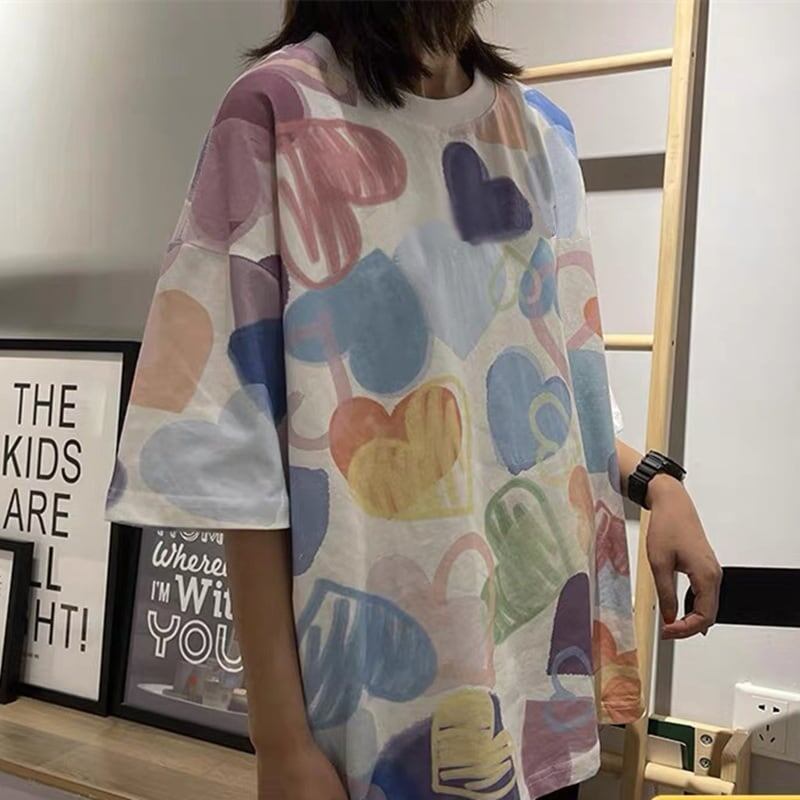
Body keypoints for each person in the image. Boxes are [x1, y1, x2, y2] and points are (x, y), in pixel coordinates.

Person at [104, 2, 723, 798]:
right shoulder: (277, 113)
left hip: (538, 691)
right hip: (370, 725)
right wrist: (280, 741)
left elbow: (536, 389)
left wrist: (656, 482)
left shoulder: (541, 134)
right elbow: (235, 457)